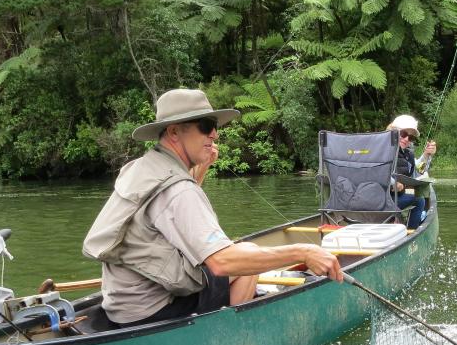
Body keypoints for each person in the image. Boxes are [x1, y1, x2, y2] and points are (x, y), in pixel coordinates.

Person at [83, 88, 342, 327]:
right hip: (154, 310)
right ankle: (230, 336)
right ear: (174, 132)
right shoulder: (178, 190)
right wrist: (304, 252)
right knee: (246, 255)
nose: (215, 135)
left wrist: (202, 167)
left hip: (122, 307)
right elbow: (221, 263)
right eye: (206, 126)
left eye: (214, 127)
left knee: (236, 253)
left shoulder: (140, 168)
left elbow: (172, 217)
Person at [387, 114, 436, 229]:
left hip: (396, 197)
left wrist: (426, 155)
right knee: (418, 200)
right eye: (403, 134)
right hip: (381, 199)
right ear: (393, 131)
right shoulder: (381, 148)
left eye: (411, 137)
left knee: (418, 197)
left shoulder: (408, 154)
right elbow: (374, 171)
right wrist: (393, 183)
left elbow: (417, 172)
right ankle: (406, 228)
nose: (406, 139)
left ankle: (410, 231)